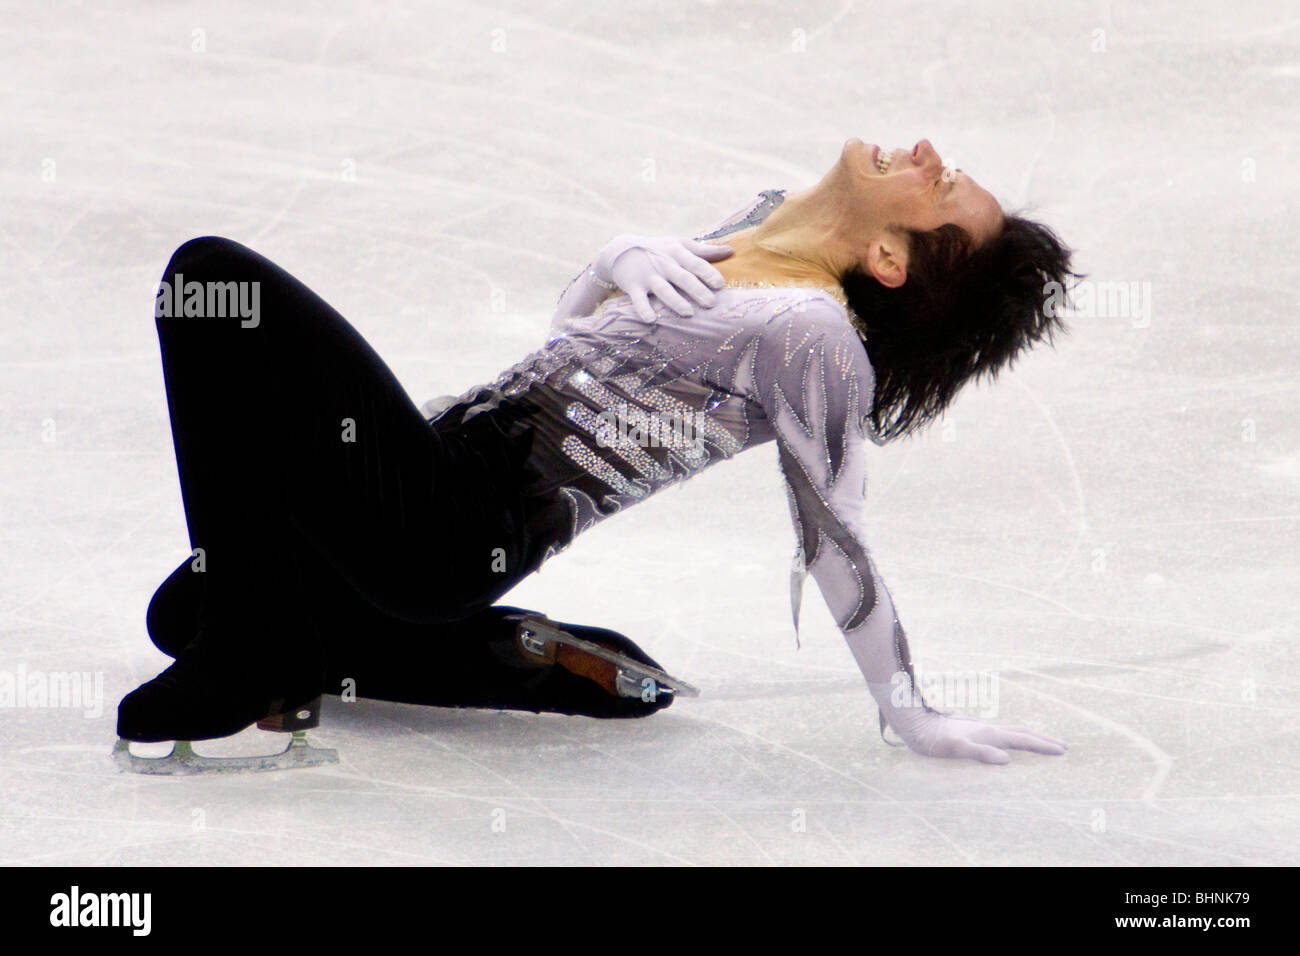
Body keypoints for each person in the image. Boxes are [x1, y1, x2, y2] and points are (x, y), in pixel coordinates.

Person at [119, 137, 1076, 765]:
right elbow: (570, 333)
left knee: (210, 283)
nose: (927, 154)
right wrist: (616, 253)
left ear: (892, 261)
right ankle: (491, 656)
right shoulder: (763, 221)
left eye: (939, 185)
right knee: (185, 606)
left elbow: (835, 534)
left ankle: (250, 663)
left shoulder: (808, 334)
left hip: (448, 523)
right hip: (431, 468)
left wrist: (908, 709)